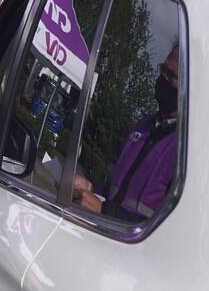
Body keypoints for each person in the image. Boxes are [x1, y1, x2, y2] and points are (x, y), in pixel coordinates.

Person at [74, 44, 180, 220]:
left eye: (172, 77)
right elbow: (114, 188)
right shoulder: (143, 126)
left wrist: (103, 210)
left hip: (128, 245)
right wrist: (88, 187)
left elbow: (166, 231)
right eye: (163, 70)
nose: (162, 78)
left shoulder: (184, 152)